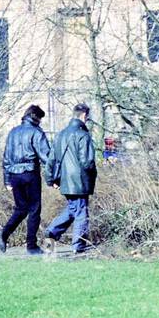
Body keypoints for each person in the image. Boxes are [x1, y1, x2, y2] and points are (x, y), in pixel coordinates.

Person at [45, 103, 98, 255]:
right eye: (87, 117)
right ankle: (78, 246)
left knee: (72, 209)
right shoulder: (83, 135)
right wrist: (93, 176)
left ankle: (52, 233)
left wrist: (50, 179)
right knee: (81, 212)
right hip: (79, 180)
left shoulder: (60, 135)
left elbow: (51, 160)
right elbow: (87, 162)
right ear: (84, 115)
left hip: (65, 181)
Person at [0, 104, 52, 255]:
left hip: (15, 175)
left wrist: (7, 180)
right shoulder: (36, 132)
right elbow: (46, 157)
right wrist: (54, 175)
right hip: (30, 173)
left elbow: (6, 158)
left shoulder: (13, 133)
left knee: (21, 209)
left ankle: (4, 233)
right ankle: (31, 246)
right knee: (34, 210)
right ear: (36, 117)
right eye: (40, 119)